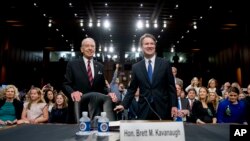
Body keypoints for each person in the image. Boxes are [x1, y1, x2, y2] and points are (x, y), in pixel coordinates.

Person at [114, 33, 178, 120]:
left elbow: (171, 87)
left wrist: (174, 105)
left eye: (152, 43)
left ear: (155, 46)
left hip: (163, 108)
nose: (149, 46)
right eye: (146, 44)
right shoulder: (136, 67)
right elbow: (132, 89)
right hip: (144, 109)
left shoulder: (165, 64)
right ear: (141, 47)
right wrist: (123, 105)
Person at [63, 37, 117, 123]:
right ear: (81, 49)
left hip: (96, 111)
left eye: (92, 46)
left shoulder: (100, 66)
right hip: (78, 109)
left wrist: (109, 93)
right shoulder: (72, 64)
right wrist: (72, 92)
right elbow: (66, 84)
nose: (90, 48)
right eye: (87, 46)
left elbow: (102, 87)